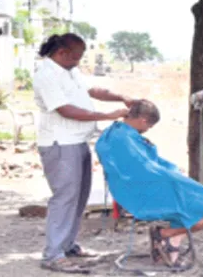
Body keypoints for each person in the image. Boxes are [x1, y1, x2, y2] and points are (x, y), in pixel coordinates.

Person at [33, 33, 136, 274]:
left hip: (78, 141)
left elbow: (94, 90)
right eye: (76, 57)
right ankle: (53, 255)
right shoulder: (46, 75)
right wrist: (106, 116)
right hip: (60, 143)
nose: (79, 62)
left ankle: (68, 246)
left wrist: (121, 97)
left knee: (79, 197)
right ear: (62, 53)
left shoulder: (69, 71)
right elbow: (65, 110)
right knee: (65, 197)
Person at [95, 100, 203, 269]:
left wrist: (173, 171)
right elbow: (146, 169)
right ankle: (166, 235)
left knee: (201, 205)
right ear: (143, 120)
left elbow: (149, 165)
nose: (146, 130)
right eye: (148, 126)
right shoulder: (123, 139)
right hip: (145, 193)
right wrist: (178, 178)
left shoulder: (116, 133)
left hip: (139, 189)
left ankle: (171, 242)